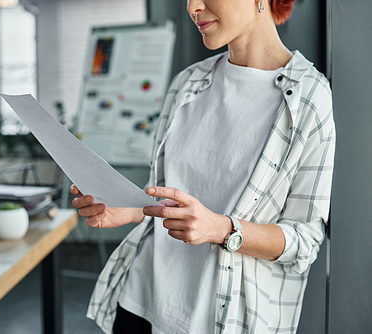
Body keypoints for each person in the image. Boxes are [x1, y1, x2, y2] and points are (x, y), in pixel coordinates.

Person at [71, 0, 335, 333]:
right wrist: (134, 208)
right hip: (140, 304)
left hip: (220, 322)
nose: (193, 6)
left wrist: (221, 229)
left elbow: (305, 240)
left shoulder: (309, 99)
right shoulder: (188, 84)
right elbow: (173, 195)